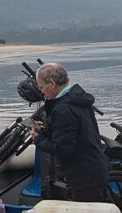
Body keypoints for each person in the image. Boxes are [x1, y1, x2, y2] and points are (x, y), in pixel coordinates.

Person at [29, 62, 111, 203]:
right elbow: (76, 134)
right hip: (96, 167)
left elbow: (63, 148)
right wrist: (49, 128)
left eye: (42, 87)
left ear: (52, 83)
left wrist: (38, 139)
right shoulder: (79, 99)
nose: (42, 92)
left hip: (83, 176)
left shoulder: (63, 110)